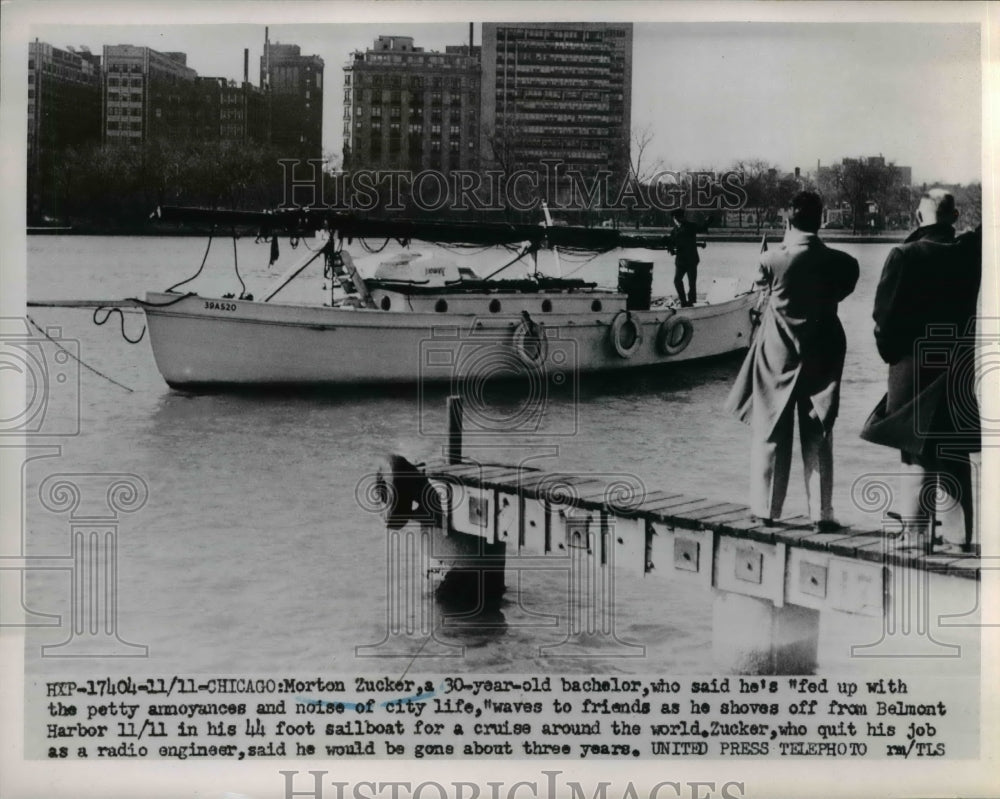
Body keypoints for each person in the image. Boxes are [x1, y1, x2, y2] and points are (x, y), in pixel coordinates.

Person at [724, 191, 859, 529]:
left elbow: (762, 289)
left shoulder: (771, 259)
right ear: (822, 219)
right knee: (818, 433)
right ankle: (822, 514)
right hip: (822, 352)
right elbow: (842, 289)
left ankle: (766, 510)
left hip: (777, 353)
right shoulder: (843, 262)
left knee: (770, 431)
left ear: (788, 220)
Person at [860, 190, 981, 550]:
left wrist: (891, 355)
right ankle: (959, 538)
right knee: (953, 448)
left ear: (916, 216)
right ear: (955, 216)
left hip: (912, 362)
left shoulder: (904, 255)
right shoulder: (971, 252)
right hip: (957, 362)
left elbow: (884, 317)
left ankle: (915, 535)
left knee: (913, 449)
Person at [665, 208, 708, 307]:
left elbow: (701, 228)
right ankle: (684, 301)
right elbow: (671, 242)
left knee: (691, 283)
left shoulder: (690, 226)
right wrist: (670, 249)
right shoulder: (674, 230)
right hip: (681, 261)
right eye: (675, 218)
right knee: (677, 281)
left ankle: (692, 302)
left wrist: (707, 222)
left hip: (691, 260)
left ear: (679, 218)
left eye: (676, 218)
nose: (676, 220)